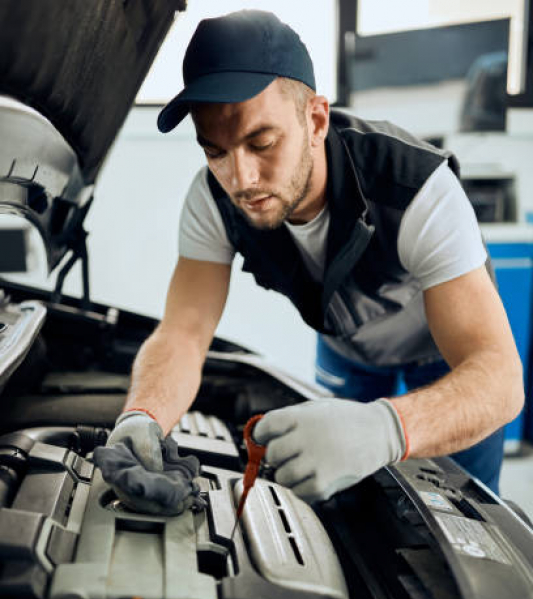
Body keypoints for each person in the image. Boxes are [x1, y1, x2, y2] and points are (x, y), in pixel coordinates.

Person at [107, 9, 523, 503]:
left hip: (445, 358)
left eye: (261, 142)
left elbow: (498, 379)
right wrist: (143, 415)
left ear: (316, 120)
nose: (241, 179)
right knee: (359, 507)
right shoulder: (213, 200)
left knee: (462, 512)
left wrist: (385, 429)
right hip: (348, 347)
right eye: (215, 151)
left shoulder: (414, 187)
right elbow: (182, 332)